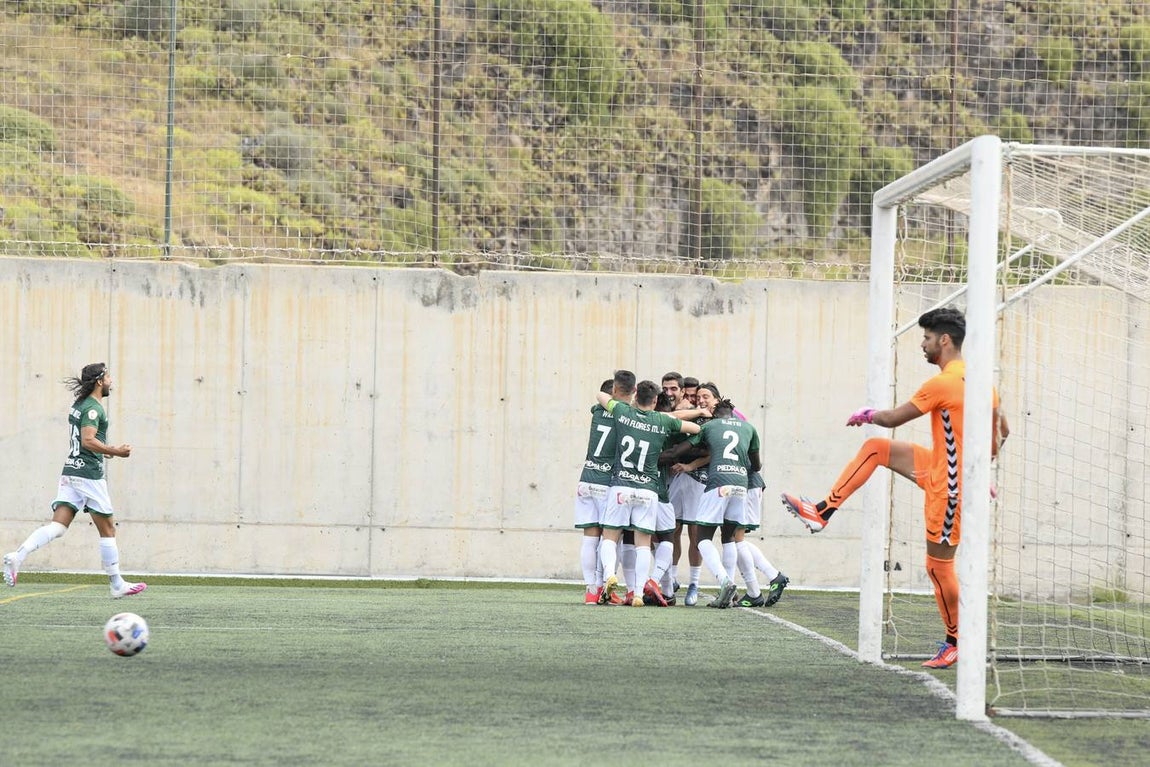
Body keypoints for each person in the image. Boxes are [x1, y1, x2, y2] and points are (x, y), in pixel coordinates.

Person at [781, 307, 1008, 669]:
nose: (922, 344)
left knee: (938, 566)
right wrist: (981, 469)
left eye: (927, 338)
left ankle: (956, 642)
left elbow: (892, 418)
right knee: (877, 449)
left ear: (944, 340)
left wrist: (867, 414)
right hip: (943, 470)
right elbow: (1002, 431)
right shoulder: (983, 382)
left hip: (949, 489)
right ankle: (821, 512)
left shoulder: (942, 383)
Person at [3, 363, 147, 599]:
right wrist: (116, 451)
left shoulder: (80, 404)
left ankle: (18, 555)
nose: (111, 381)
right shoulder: (93, 408)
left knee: (58, 527)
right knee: (108, 528)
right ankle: (116, 584)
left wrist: (103, 451)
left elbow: (84, 441)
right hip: (88, 475)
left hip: (71, 471)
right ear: (99, 381)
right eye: (108, 377)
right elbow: (88, 440)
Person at [597, 375, 701, 606]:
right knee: (644, 543)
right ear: (655, 400)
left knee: (611, 537)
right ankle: (638, 593)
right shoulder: (662, 420)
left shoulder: (624, 412)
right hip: (648, 489)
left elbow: (601, 396)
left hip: (622, 485)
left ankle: (610, 575)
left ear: (636, 397)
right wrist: (673, 417)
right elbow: (695, 429)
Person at [671, 391, 761, 608]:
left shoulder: (710, 426)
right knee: (729, 537)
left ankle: (725, 582)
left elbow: (683, 449)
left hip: (719, 483)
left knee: (703, 539)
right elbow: (756, 465)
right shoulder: (749, 428)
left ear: (715, 413)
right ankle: (732, 593)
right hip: (741, 485)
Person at [575, 378, 623, 605]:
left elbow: (598, 403)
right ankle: (606, 585)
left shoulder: (596, 411)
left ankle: (591, 591)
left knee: (589, 538)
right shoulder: (623, 416)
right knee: (611, 538)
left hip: (586, 479)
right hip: (607, 482)